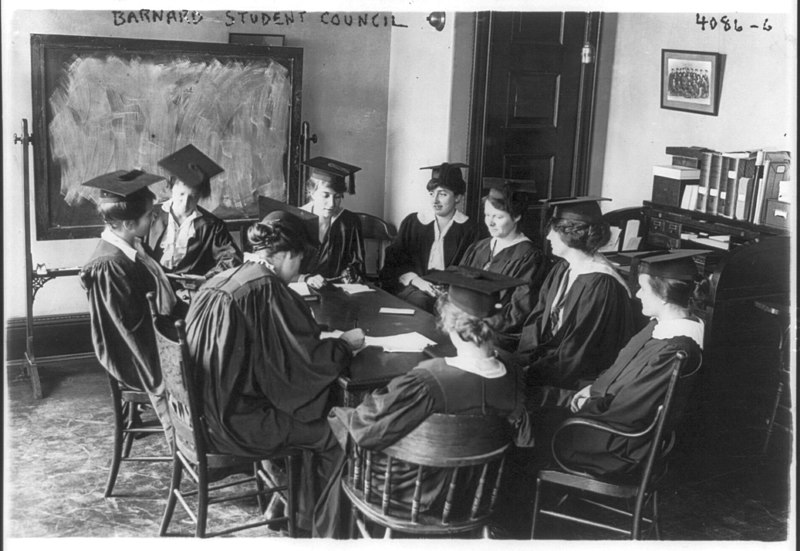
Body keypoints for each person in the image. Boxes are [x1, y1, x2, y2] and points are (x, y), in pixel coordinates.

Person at [313, 267, 534, 538]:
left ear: (449, 324)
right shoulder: (513, 374)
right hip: (474, 495)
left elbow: (365, 429)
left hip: (409, 494)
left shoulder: (428, 380)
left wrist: (341, 414)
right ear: (496, 323)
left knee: (339, 426)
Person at [183, 209, 365, 533]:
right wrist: (344, 346)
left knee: (299, 410)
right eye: (298, 262)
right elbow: (305, 364)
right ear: (287, 255)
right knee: (333, 430)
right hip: (234, 423)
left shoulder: (224, 279)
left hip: (200, 414)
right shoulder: (266, 289)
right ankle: (315, 527)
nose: (297, 274)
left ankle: (286, 505)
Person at [549, 250, 707, 476]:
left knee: (534, 424)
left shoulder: (674, 350)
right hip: (612, 421)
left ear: (662, 294)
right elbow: (623, 373)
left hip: (618, 445)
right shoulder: (662, 326)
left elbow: (630, 411)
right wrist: (593, 389)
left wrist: (590, 402)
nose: (637, 294)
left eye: (643, 288)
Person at [79, 170, 178, 443]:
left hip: (154, 336)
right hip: (135, 355)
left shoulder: (131, 247)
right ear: (127, 223)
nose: (154, 218)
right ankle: (215, 449)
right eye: (149, 215)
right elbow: (132, 332)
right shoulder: (110, 264)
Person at [517, 197, 639, 408]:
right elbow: (538, 319)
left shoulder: (601, 283)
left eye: (552, 230)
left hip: (577, 380)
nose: (547, 237)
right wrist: (521, 360)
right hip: (550, 362)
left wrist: (530, 373)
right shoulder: (562, 268)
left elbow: (579, 349)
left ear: (569, 233)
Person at [379, 162, 480, 312]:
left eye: (443, 194)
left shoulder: (469, 229)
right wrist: (417, 281)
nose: (435, 200)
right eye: (432, 194)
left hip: (453, 292)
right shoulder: (413, 222)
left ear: (458, 197)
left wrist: (449, 289)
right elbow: (395, 262)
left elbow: (472, 270)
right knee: (421, 302)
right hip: (414, 285)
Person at [458, 180, 546, 350]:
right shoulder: (479, 247)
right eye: (487, 215)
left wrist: (473, 322)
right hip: (465, 325)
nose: (490, 223)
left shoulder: (529, 256)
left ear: (517, 217)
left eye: (498, 217)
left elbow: (518, 312)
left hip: (497, 335)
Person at [146, 144, 242, 283]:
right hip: (153, 288)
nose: (185, 203)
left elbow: (231, 259)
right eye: (181, 194)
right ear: (171, 188)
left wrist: (207, 278)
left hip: (192, 291)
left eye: (193, 196)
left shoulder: (212, 225)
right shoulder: (150, 215)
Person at [298, 156, 366, 289]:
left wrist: (349, 274)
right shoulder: (296, 218)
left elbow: (357, 264)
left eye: (337, 197)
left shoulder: (350, 222)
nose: (331, 204)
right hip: (302, 289)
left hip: (338, 289)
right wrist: (306, 279)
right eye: (325, 195)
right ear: (312, 192)